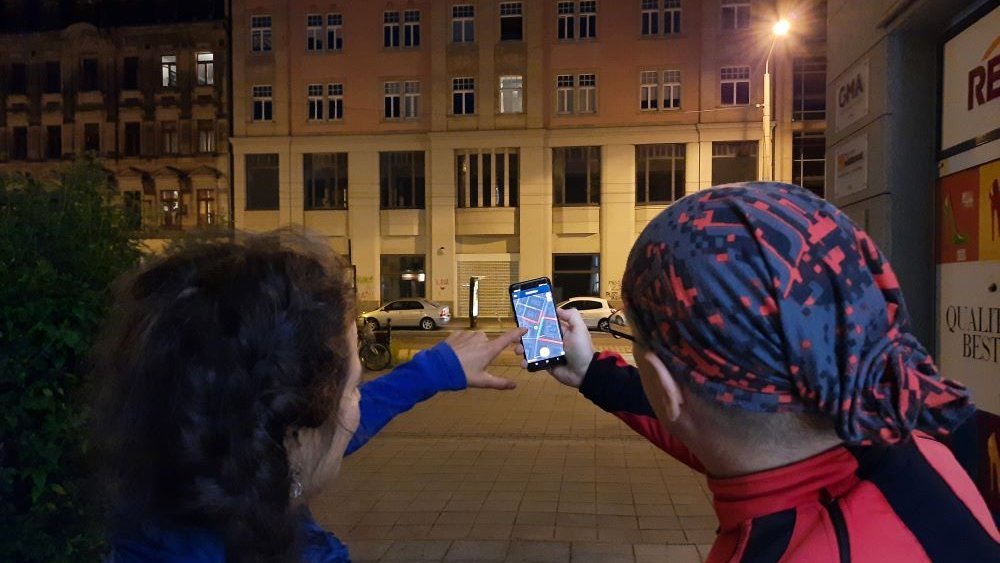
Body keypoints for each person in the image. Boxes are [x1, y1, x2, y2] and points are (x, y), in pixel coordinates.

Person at [528, 183, 1000, 562]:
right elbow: (726, 431)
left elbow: (715, 424)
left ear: (669, 390)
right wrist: (592, 372)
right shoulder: (917, 440)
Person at [91, 232, 524, 562]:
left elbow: (324, 428)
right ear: (290, 432)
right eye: (353, 387)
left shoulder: (148, 520)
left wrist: (434, 370)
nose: (356, 407)